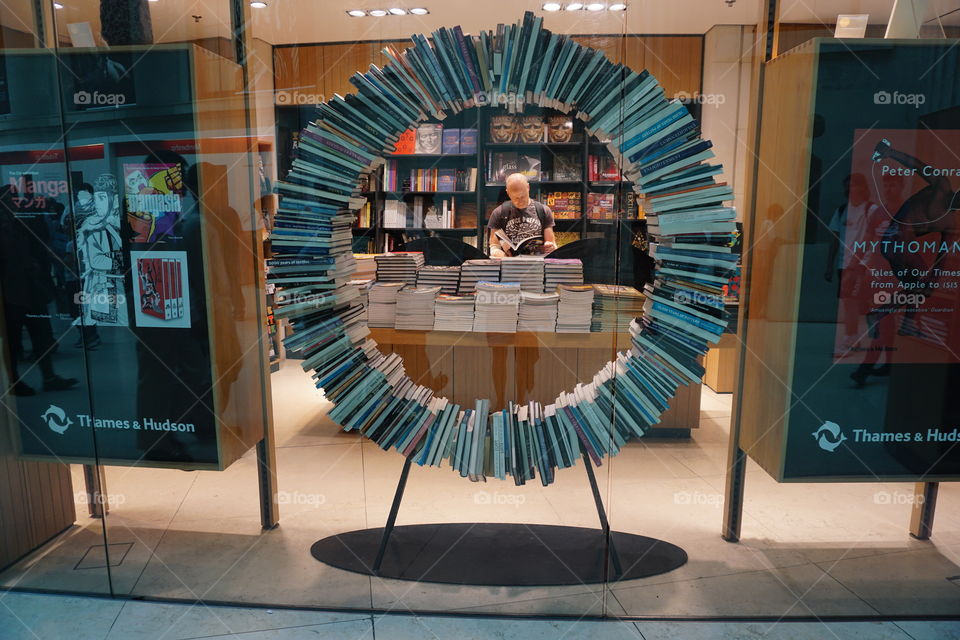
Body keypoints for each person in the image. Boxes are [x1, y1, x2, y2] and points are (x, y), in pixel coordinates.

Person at [487, 173, 557, 257]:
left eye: (523, 196)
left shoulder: (543, 211)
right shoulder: (499, 213)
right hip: (510, 265)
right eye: (516, 198)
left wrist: (550, 246)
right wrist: (502, 256)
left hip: (536, 263)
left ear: (528, 187)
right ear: (508, 193)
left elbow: (551, 243)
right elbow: (494, 246)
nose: (520, 201)